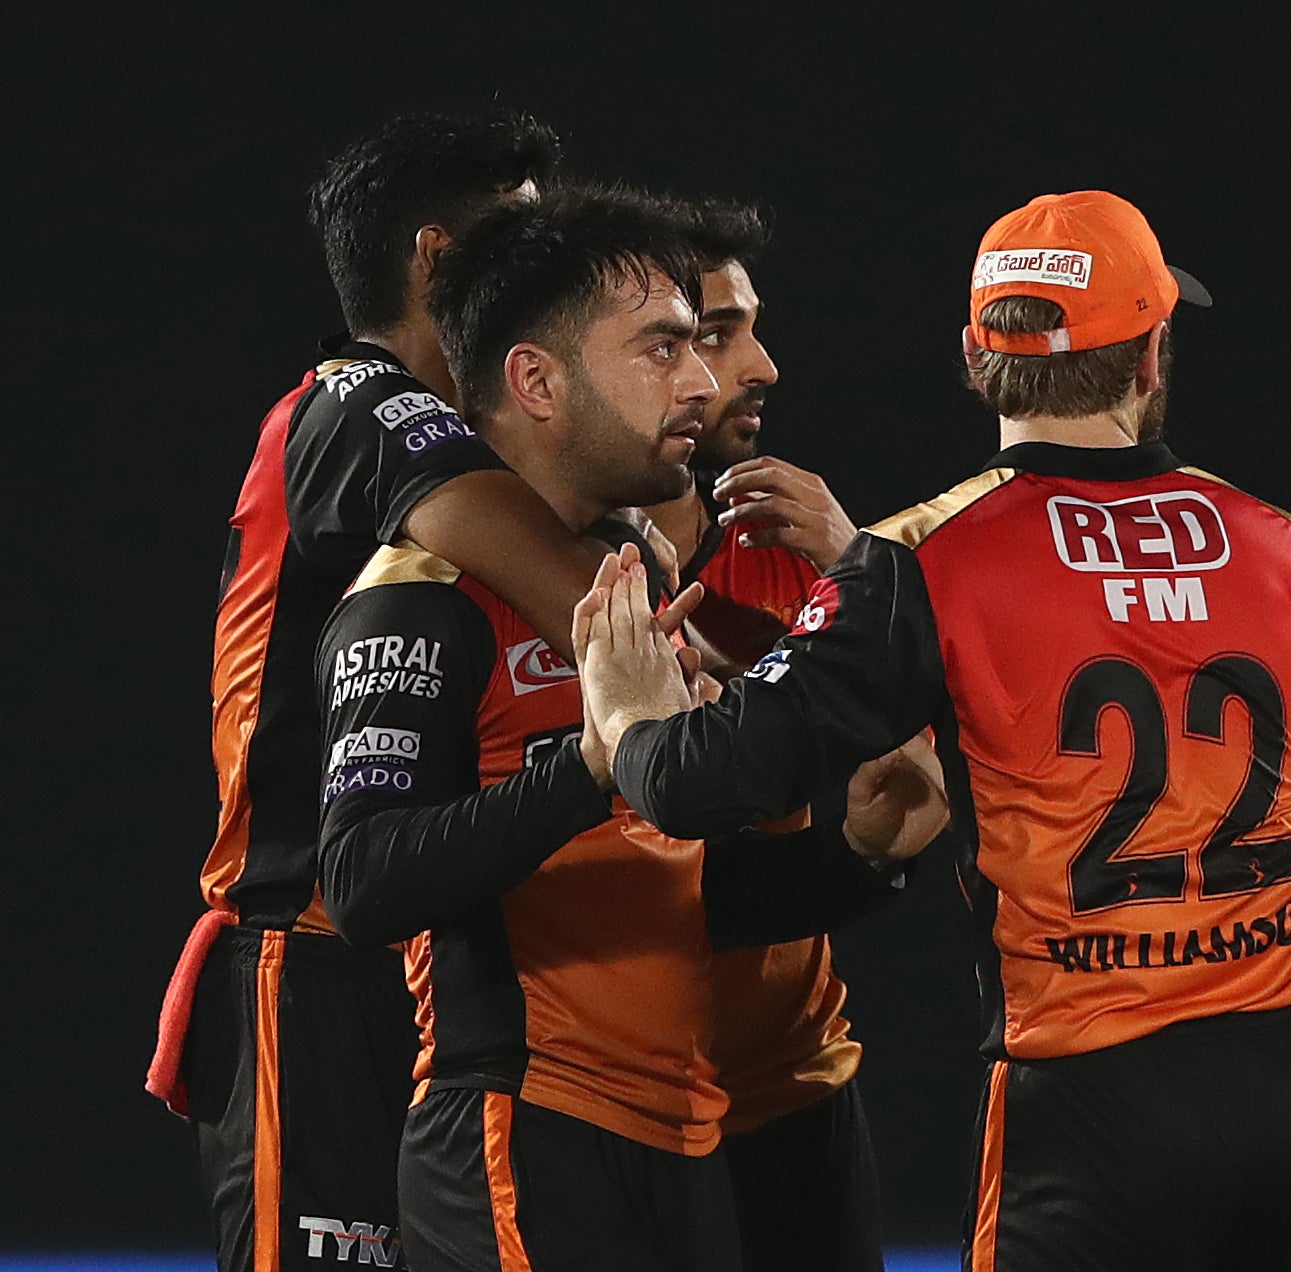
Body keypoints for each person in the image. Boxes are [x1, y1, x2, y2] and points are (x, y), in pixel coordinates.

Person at [585, 190, 1291, 1271]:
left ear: (975, 356)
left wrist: (628, 703)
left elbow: (698, 783)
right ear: (1153, 354)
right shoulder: (1279, 543)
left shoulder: (923, 561)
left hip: (1099, 1097)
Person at [317, 186, 941, 1272]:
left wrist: (865, 857)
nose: (702, 383)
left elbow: (695, 898)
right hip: (524, 1140)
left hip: (685, 1143)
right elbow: (364, 879)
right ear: (536, 381)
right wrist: (595, 764)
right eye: (663, 349)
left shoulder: (639, 568)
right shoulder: (420, 595)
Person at [145, 111, 630, 1272]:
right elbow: (586, 606)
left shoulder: (453, 428)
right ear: (433, 254)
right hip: (311, 968)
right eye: (520, 229)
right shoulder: (356, 404)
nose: (544, 259)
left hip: (445, 973)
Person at [641, 208, 894, 1272]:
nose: (761, 367)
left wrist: (859, 565)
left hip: (796, 1095)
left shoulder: (794, 547)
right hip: (623, 1120)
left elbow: (921, 774)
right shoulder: (533, 575)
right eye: (717, 331)